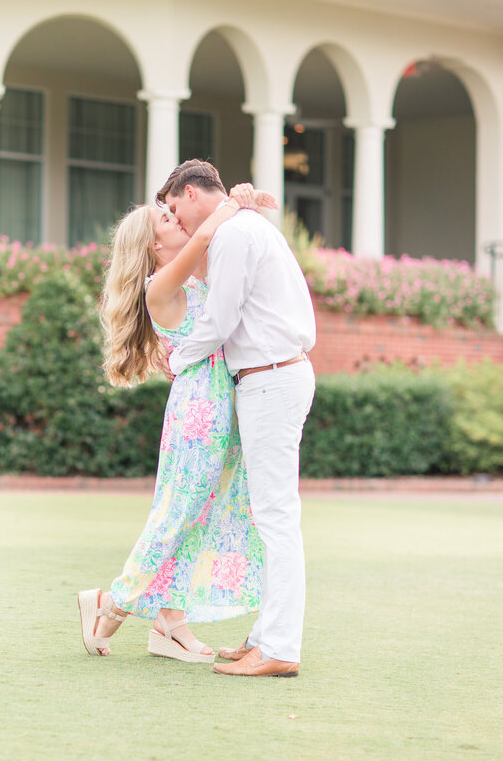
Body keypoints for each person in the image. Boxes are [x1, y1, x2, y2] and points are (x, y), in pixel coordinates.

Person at [78, 183, 272, 663]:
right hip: (198, 412)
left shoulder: (194, 282)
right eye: (165, 218)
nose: (176, 219)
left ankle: (170, 621)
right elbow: (206, 235)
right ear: (152, 245)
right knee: (178, 513)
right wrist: (231, 202)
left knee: (200, 516)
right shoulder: (159, 286)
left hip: (223, 404)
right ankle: (110, 604)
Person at [158, 159, 316, 679]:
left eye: (174, 206)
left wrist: (178, 361)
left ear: (190, 192)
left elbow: (219, 320)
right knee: (268, 515)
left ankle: (278, 648)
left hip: (270, 377)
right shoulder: (243, 227)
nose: (176, 219)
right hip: (270, 376)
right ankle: (263, 639)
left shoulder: (234, 235)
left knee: (275, 518)